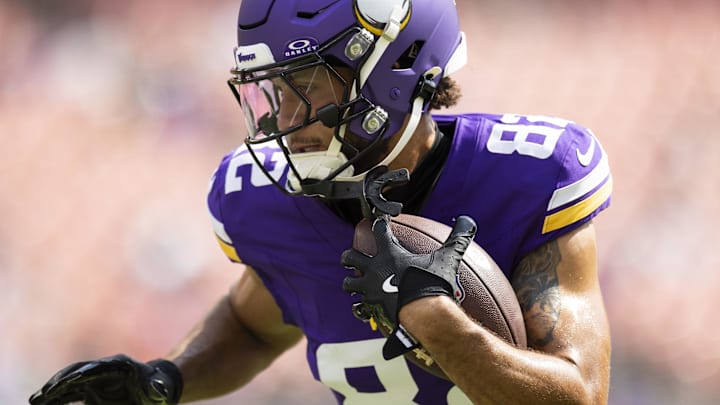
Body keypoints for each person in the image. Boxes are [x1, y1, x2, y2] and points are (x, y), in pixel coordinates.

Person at [29, 0, 613, 404]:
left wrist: (436, 321)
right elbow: (251, 325)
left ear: (396, 66)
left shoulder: (529, 174)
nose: (284, 119)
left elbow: (579, 396)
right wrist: (167, 379)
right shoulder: (265, 202)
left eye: (307, 85)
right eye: (273, 90)